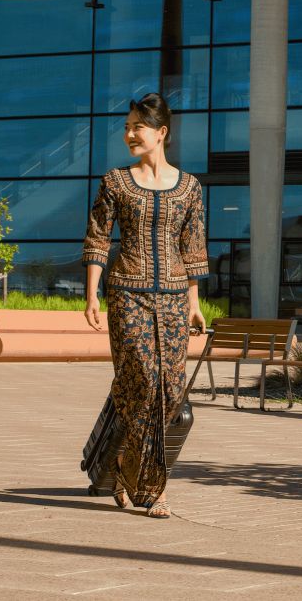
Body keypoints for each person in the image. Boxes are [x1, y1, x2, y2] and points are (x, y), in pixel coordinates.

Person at [82, 91, 209, 518]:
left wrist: (194, 302)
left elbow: (193, 248)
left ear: (161, 133)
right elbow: (98, 237)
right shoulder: (115, 182)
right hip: (127, 293)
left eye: (137, 126)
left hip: (174, 297)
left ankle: (123, 465)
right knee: (141, 379)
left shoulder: (189, 187)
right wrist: (91, 293)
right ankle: (154, 488)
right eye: (126, 127)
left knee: (170, 390)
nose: (129, 134)